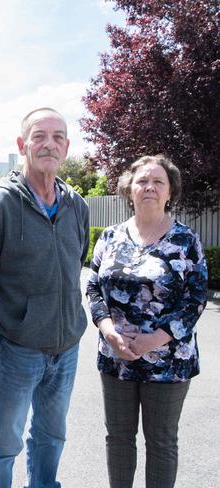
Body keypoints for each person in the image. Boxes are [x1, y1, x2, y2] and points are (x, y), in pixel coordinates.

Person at [0, 107, 90, 488]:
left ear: (66, 147)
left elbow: (78, 260)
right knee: (4, 445)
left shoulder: (78, 206)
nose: (48, 144)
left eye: (57, 137)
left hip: (67, 347)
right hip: (19, 349)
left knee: (51, 437)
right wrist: (9, 323)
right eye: (39, 136)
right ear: (23, 145)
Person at [86, 155, 207, 488]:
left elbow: (196, 298)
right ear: (130, 190)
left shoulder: (186, 241)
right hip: (116, 357)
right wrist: (108, 330)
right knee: (119, 438)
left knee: (161, 442)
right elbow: (94, 286)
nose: (149, 187)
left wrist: (157, 339)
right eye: (142, 181)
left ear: (170, 192)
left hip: (169, 362)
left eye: (158, 182)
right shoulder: (110, 237)